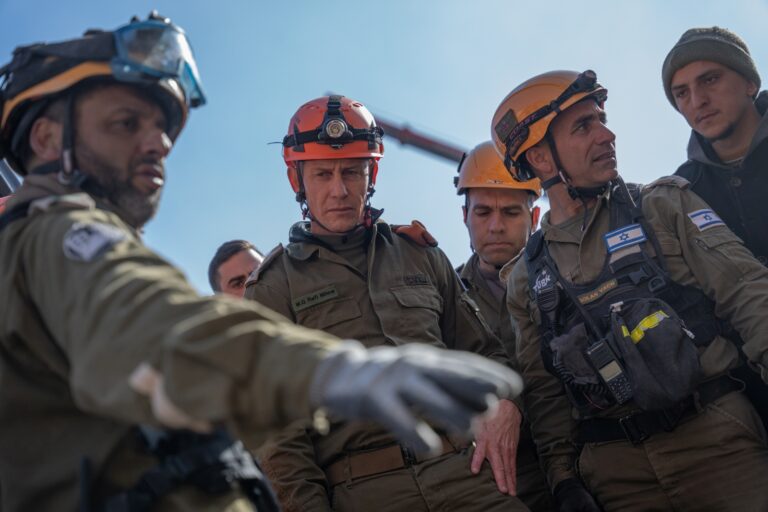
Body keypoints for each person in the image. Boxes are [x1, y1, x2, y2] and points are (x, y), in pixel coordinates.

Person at [0, 15, 524, 511]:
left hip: (463, 474)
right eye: (125, 122)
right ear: (46, 138)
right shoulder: (56, 235)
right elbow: (159, 322)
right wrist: (338, 372)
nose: (158, 143)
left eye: (164, 126)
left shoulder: (416, 252)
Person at [492, 69, 768, 511]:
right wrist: (563, 481)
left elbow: (750, 294)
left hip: (718, 444)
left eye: (601, 118)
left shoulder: (663, 206)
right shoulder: (525, 278)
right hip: (615, 475)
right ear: (542, 160)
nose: (607, 134)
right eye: (584, 126)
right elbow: (544, 393)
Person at [245, 95, 529, 512]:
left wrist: (507, 405)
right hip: (362, 493)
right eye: (323, 174)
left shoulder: (420, 255)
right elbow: (280, 437)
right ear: (297, 181)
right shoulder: (273, 288)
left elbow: (485, 355)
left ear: (372, 172)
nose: (339, 190)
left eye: (352, 172)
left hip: (465, 475)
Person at [454, 140, 554, 511]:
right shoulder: (446, 299)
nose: (496, 226)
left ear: (534, 218)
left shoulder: (569, 275)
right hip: (504, 479)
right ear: (464, 217)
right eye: (483, 212)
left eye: (511, 212)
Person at [663, 26, 768, 265]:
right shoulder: (682, 193)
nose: (698, 101)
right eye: (682, 93)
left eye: (710, 80)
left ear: (750, 83)